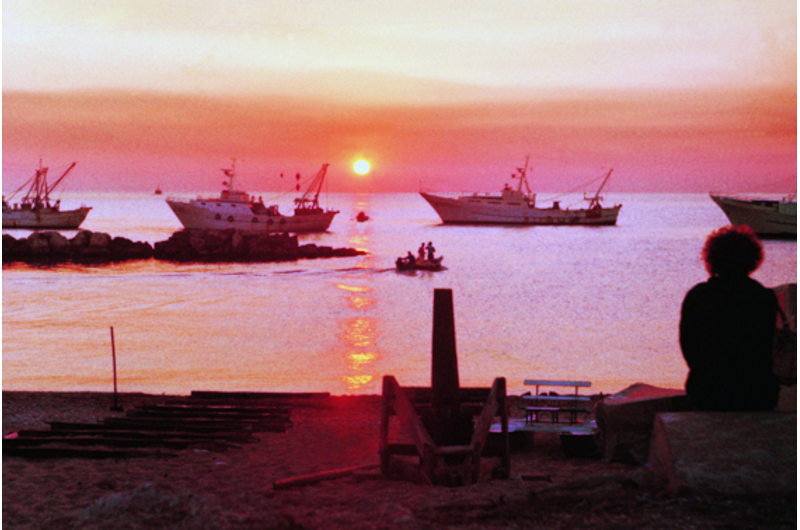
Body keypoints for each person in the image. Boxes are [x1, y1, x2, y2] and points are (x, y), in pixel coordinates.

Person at [679, 225, 780, 411]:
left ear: (711, 258)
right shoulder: (762, 297)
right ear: (752, 259)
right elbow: (766, 347)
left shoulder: (698, 296)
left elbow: (689, 346)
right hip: (756, 392)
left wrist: (706, 370)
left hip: (708, 390)